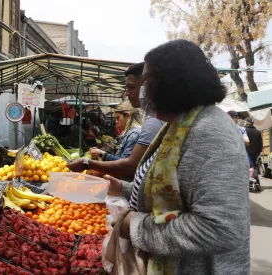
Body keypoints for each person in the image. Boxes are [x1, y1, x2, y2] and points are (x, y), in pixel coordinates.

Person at [107, 40, 249, 274]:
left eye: (147, 79)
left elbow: (219, 229)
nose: (142, 89)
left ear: (169, 82)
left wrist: (135, 227)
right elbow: (171, 189)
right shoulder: (177, 126)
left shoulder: (210, 132)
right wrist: (123, 189)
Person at [67, 63, 164, 180]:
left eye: (131, 87)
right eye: (126, 88)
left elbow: (130, 167)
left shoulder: (151, 123)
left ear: (147, 86)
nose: (127, 93)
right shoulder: (154, 118)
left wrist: (87, 163)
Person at [244, 117, 263, 185]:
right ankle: (257, 182)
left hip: (246, 152)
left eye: (245, 122)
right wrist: (259, 152)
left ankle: (249, 183)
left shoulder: (244, 131)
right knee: (254, 166)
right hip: (255, 153)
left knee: (247, 167)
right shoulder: (258, 132)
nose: (244, 123)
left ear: (247, 123)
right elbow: (260, 143)